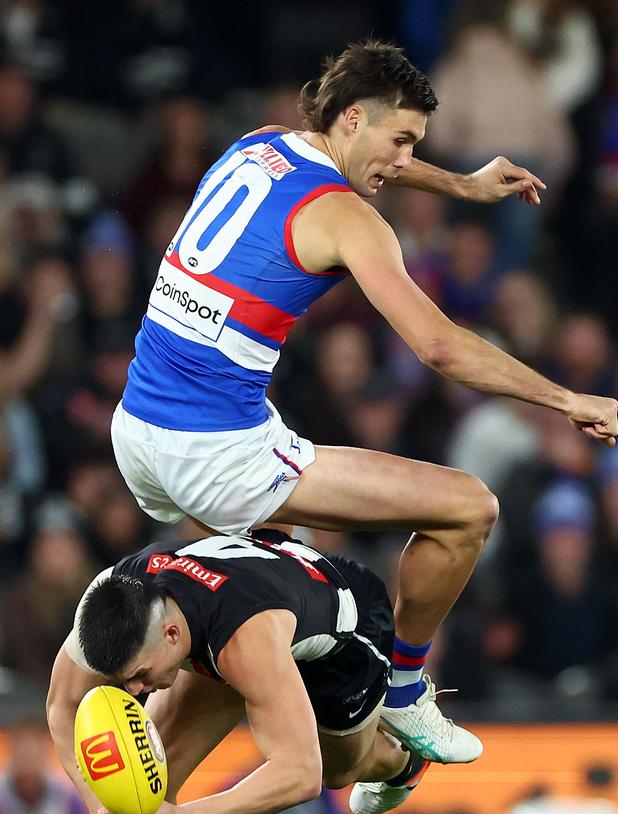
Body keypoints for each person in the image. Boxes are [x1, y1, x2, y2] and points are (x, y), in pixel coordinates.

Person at [109, 40, 617, 772]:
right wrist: (567, 397)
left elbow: (374, 163)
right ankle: (405, 689)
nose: (404, 158)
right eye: (401, 139)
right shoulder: (349, 220)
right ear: (352, 118)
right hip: (215, 453)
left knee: (267, 594)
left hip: (141, 426)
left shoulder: (261, 144)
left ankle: (169, 763)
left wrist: (464, 187)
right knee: (469, 508)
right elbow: (440, 348)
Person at [46, 530, 437, 814]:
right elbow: (61, 705)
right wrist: (103, 813)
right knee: (139, 800)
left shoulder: (243, 643)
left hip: (348, 630)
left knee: (338, 771)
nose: (134, 692)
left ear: (170, 635)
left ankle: (404, 761)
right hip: (251, 607)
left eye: (141, 675)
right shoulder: (111, 597)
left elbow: (300, 775)